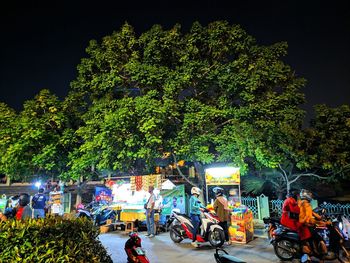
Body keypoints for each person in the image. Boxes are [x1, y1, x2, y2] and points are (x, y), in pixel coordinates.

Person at [298, 189, 328, 261]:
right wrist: (321, 222)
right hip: (304, 226)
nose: (311, 196)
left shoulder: (303, 203)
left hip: (304, 225)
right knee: (317, 238)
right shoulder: (305, 204)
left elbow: (312, 213)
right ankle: (316, 254)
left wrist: (319, 218)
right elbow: (309, 219)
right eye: (310, 195)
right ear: (307, 196)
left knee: (316, 236)